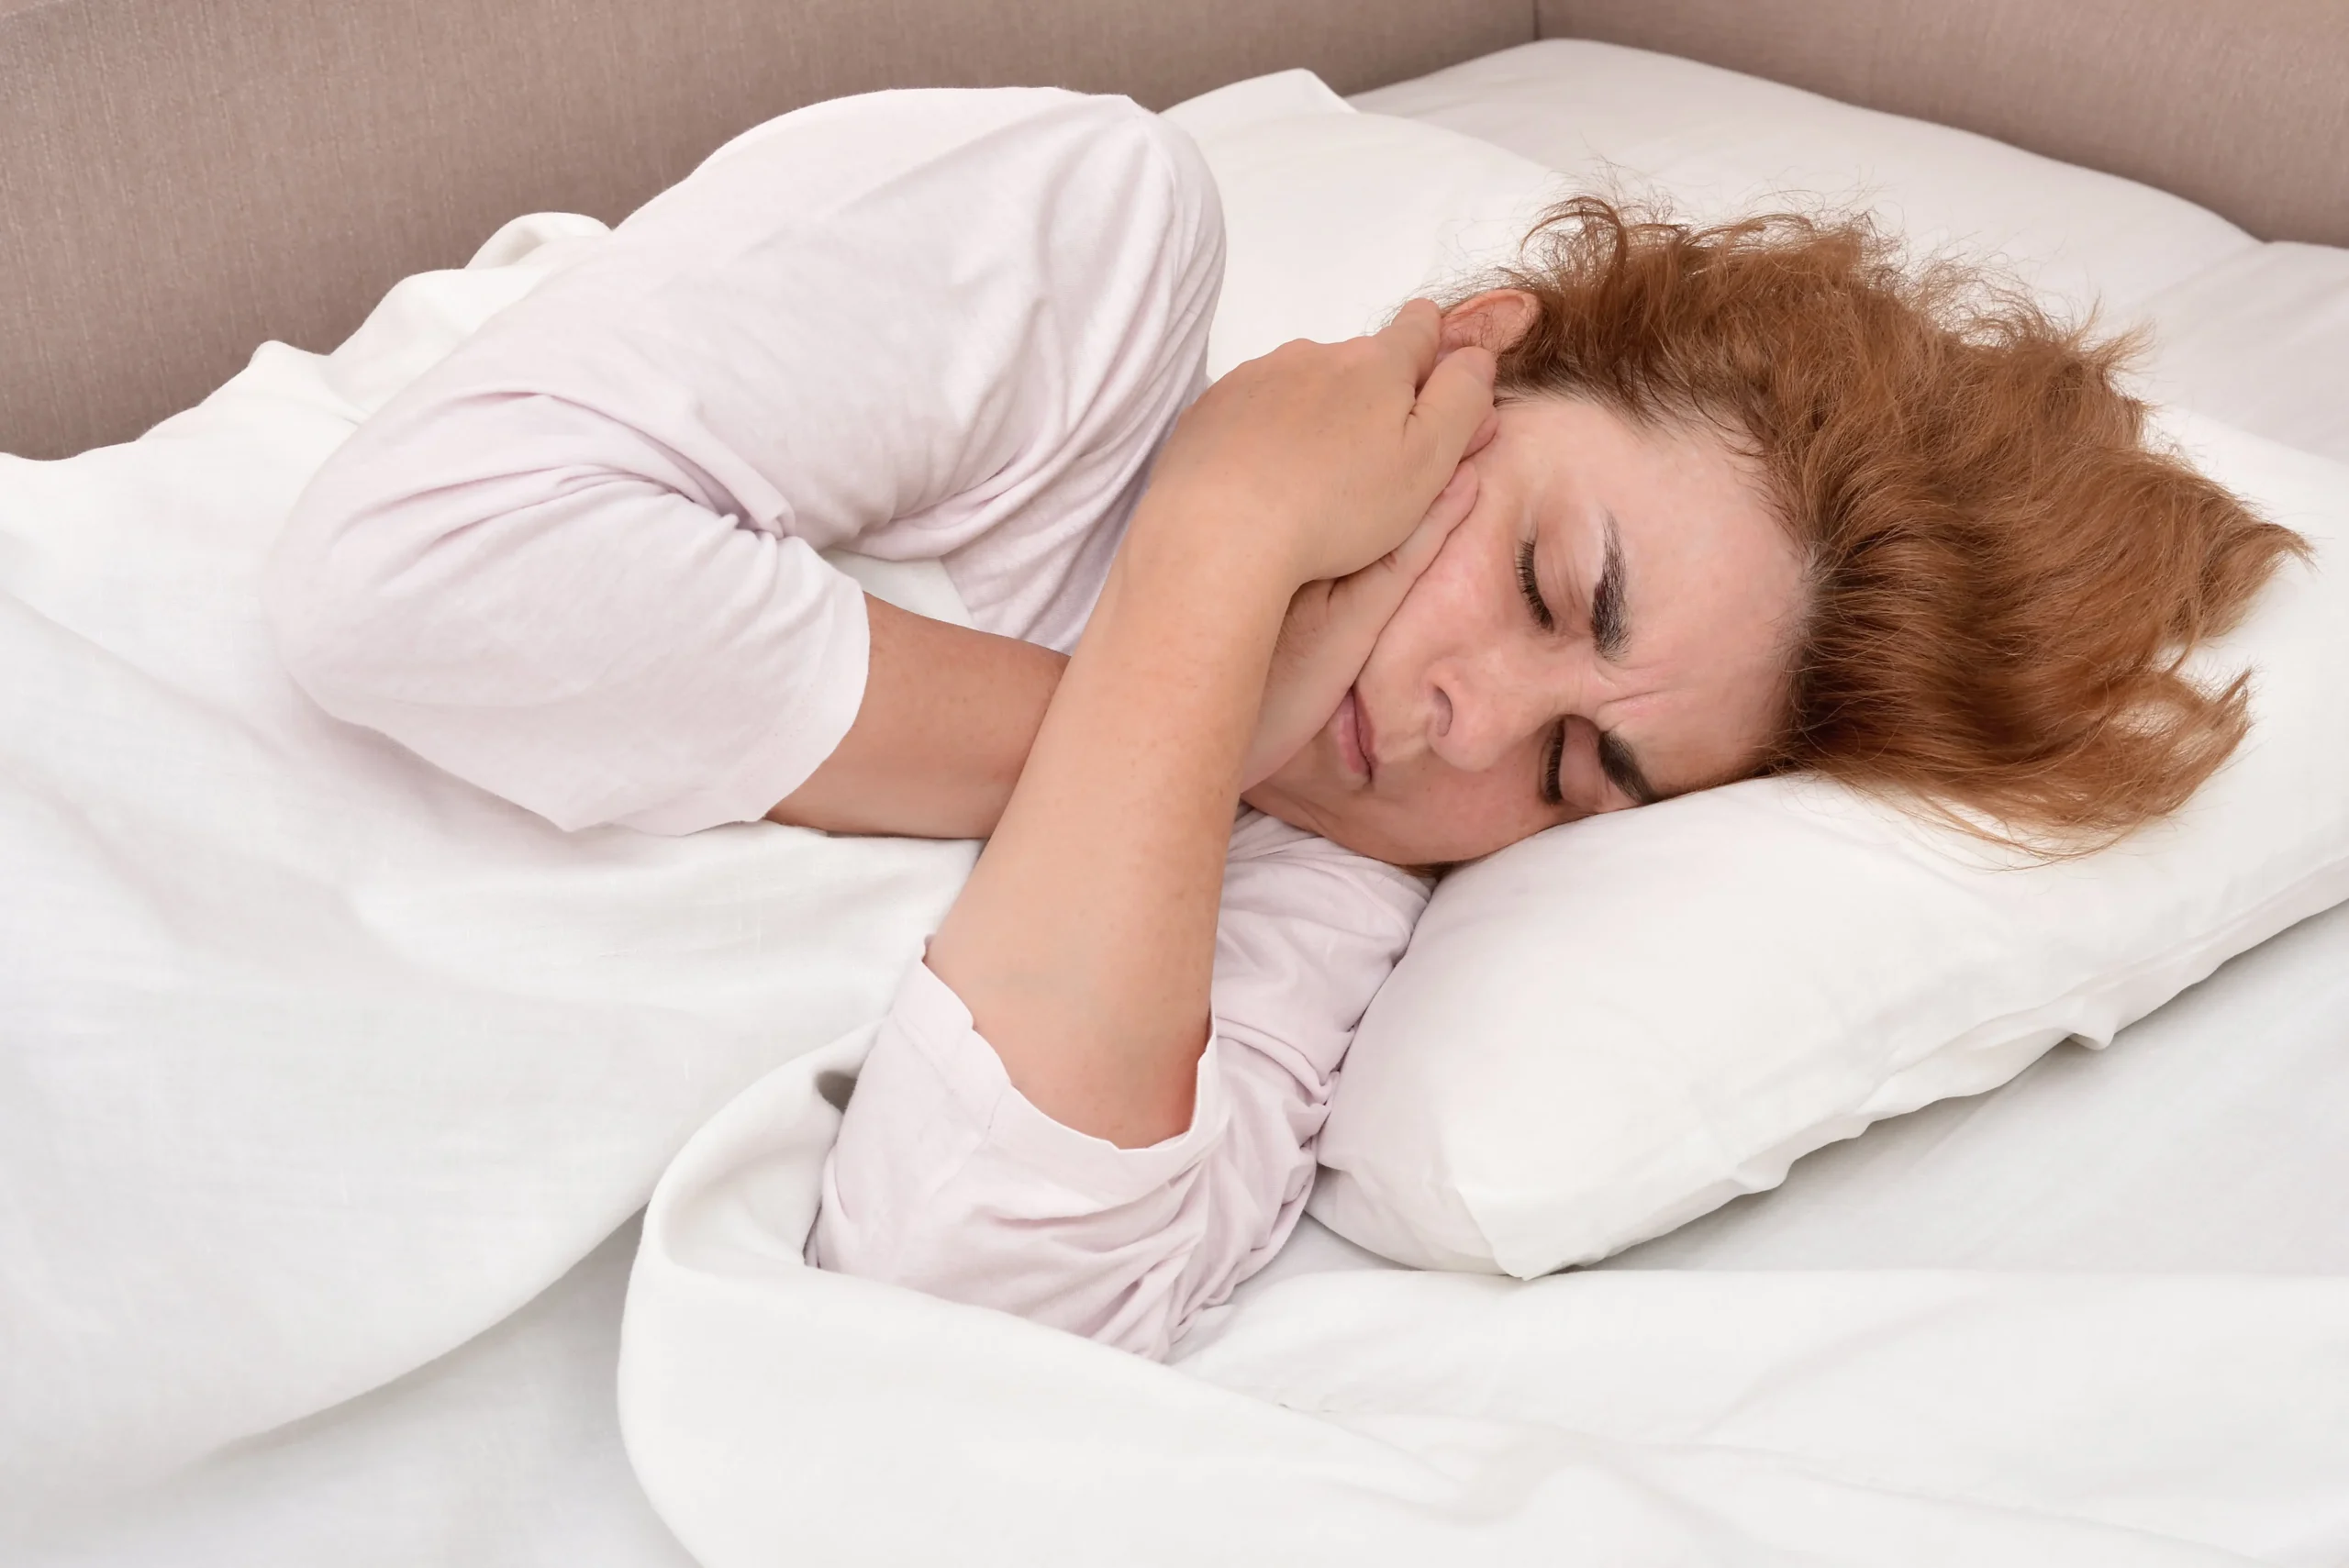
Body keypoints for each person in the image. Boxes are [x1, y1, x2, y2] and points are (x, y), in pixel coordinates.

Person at [266, 88, 2301, 1360]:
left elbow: (957, 1306)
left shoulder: (1330, 918)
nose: (1450, 726)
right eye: (1532, 578)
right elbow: (415, 578)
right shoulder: (1077, 258)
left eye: (1579, 767)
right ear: (1467, 362)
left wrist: (1210, 624)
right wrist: (1206, 582)